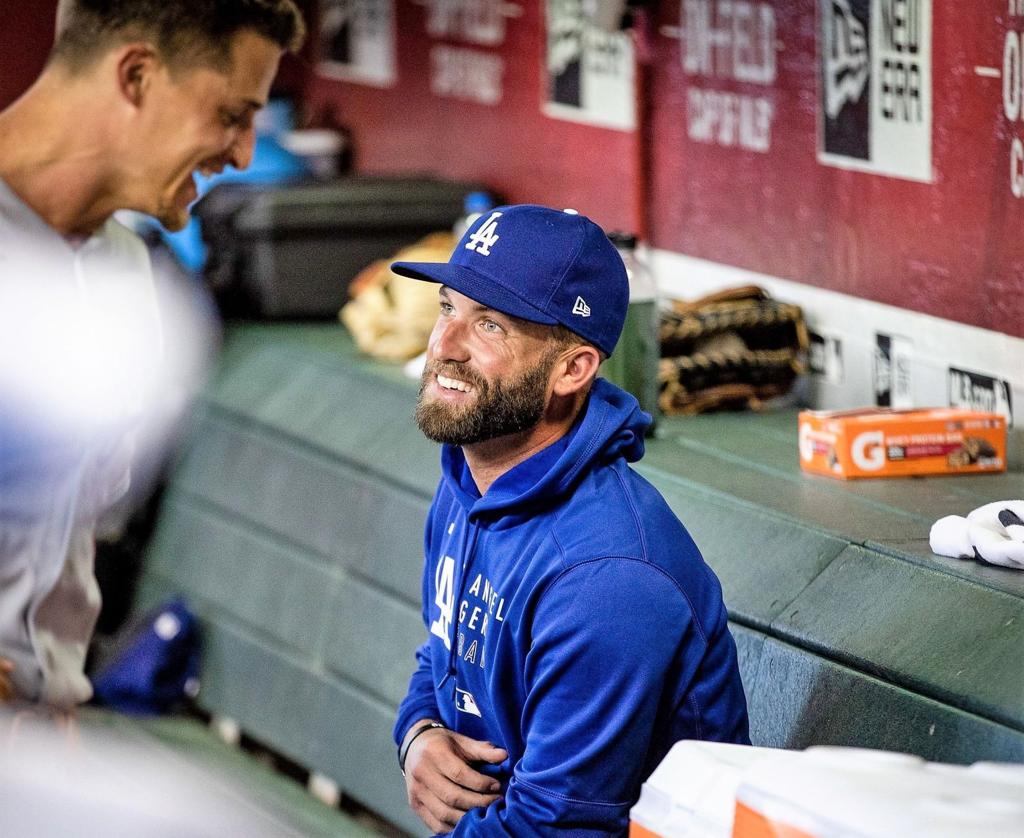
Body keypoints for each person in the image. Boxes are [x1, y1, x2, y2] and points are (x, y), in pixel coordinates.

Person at [391, 204, 750, 835]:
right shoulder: (469, 477)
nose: (443, 346)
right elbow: (440, 652)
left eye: (491, 326)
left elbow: (553, 830)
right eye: (448, 307)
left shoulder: (605, 574)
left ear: (572, 369)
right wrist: (418, 732)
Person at [0, 0, 305, 708]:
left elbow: (64, 544)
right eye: (231, 114)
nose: (243, 155)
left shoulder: (127, 276)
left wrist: (58, 696)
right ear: (136, 75)